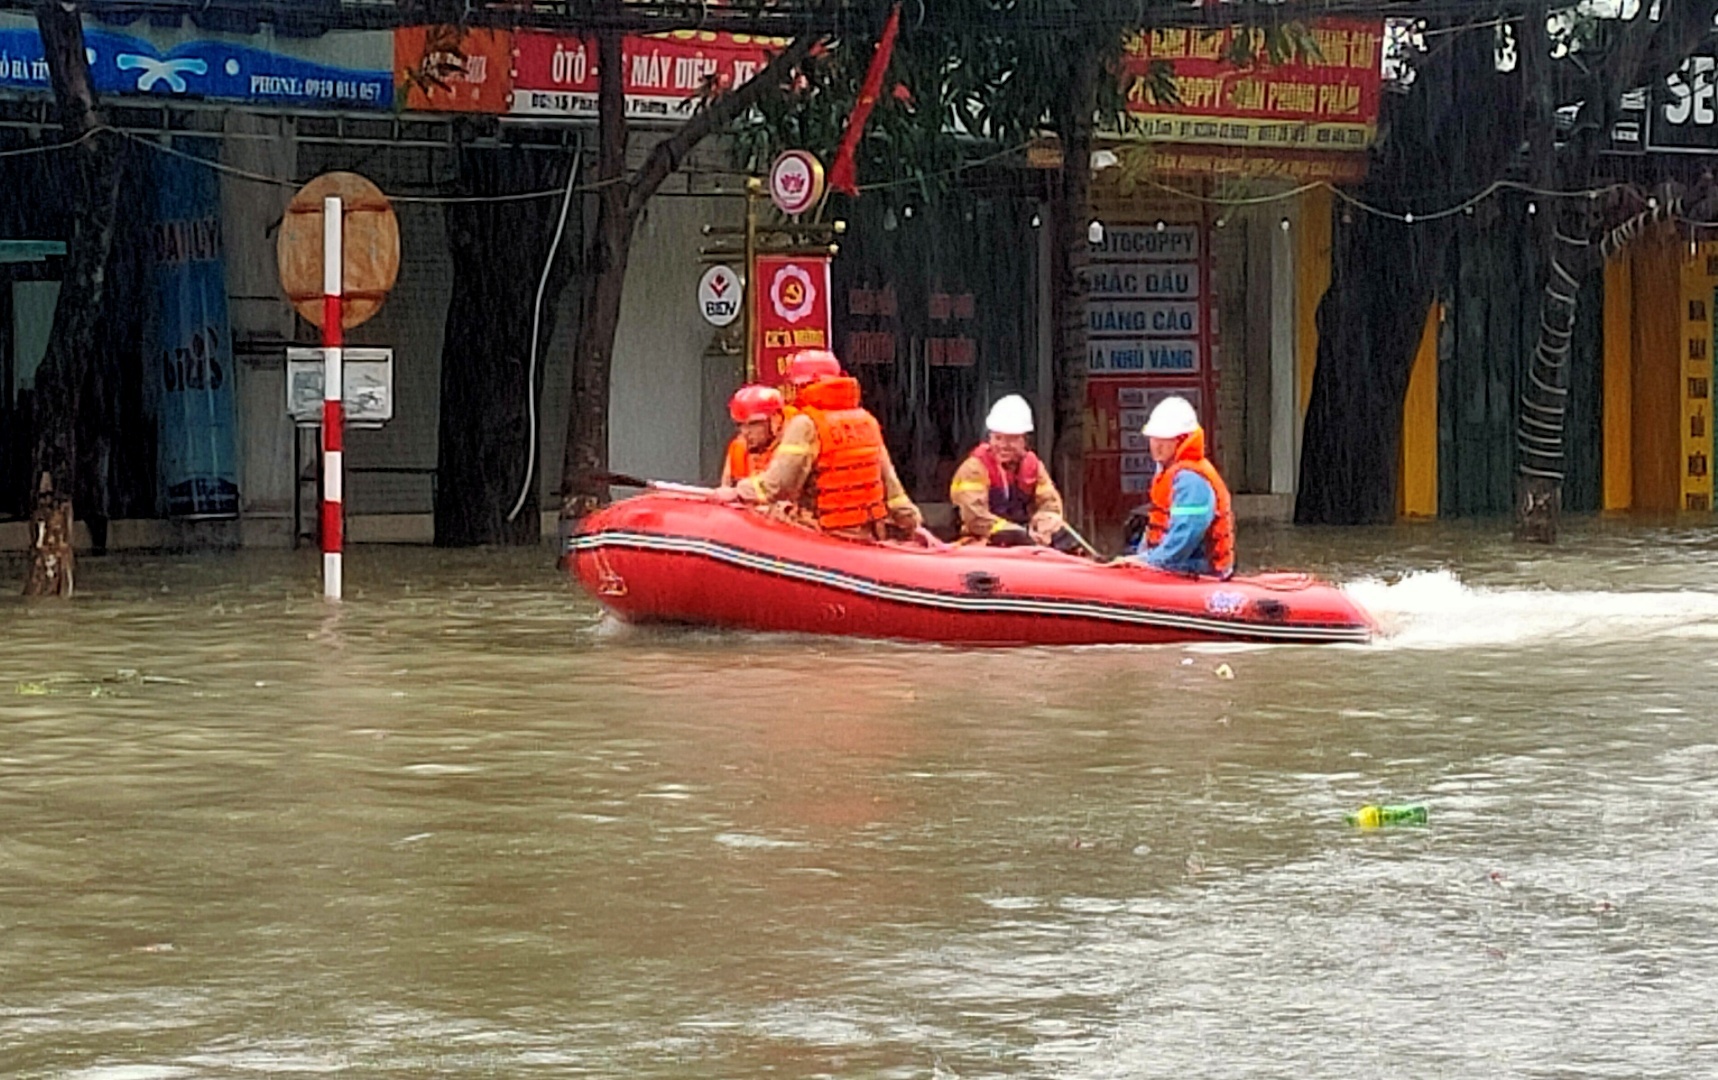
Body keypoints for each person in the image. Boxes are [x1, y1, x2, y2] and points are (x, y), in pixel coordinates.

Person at [715, 350, 923, 540]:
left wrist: (738, 492)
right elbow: (892, 488)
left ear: (802, 385)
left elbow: (778, 485)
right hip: (867, 533)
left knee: (773, 514)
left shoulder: (806, 424)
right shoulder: (866, 421)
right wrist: (909, 521)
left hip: (825, 533)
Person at [949, 394, 1074, 549]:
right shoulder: (974, 469)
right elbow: (975, 517)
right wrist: (1016, 533)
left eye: (1011, 439)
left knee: (1065, 537)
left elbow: (1050, 504)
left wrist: (1044, 526)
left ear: (1024, 440)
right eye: (998, 438)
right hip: (982, 540)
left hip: (1025, 541)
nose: (1003, 445)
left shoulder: (1033, 467)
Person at [1133, 395, 1234, 578]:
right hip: (1175, 567)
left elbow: (1184, 539)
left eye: (1164, 439)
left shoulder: (1191, 480)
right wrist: (1138, 560)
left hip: (1199, 572)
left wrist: (1146, 563)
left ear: (1181, 440)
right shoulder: (1168, 472)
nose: (1156, 445)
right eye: (1154, 438)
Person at [719, 384, 790, 486]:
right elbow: (724, 492)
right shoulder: (738, 448)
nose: (745, 432)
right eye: (740, 425)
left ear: (776, 419)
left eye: (753, 424)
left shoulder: (791, 451)